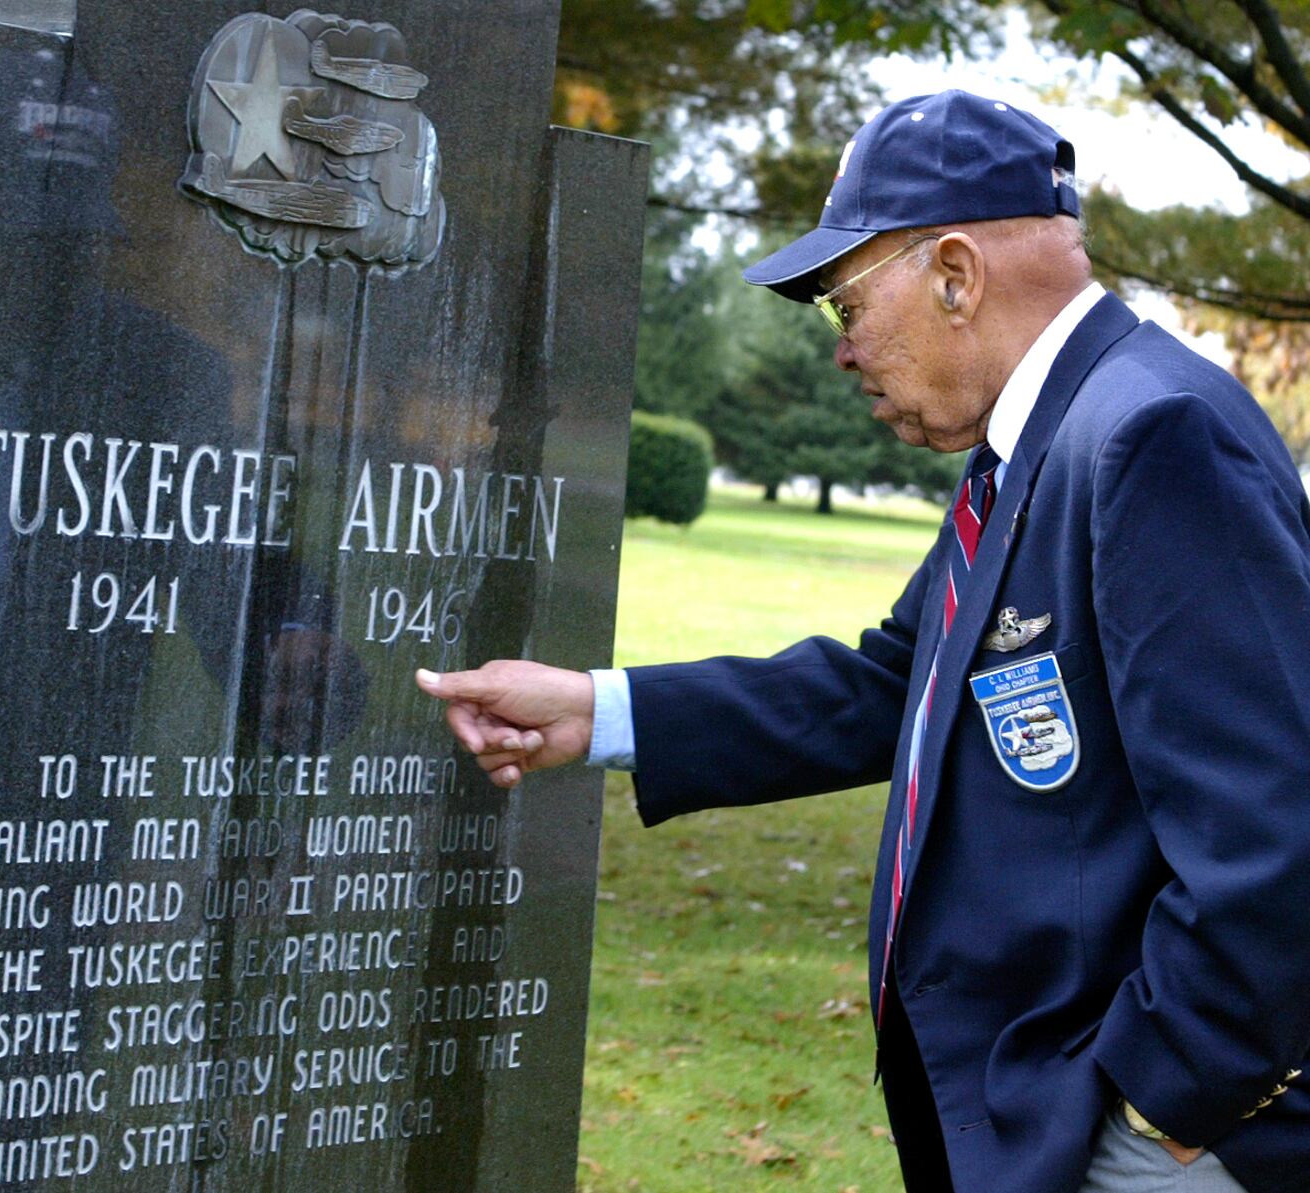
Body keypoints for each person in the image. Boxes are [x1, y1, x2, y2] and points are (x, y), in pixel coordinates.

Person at [416, 90, 1310, 1193]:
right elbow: (897, 686)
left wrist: (1152, 1104)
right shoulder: (1030, 452)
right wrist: (600, 710)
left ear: (953, 273)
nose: (843, 352)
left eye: (844, 304)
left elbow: (1274, 840)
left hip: (1136, 1137)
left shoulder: (1147, 434)